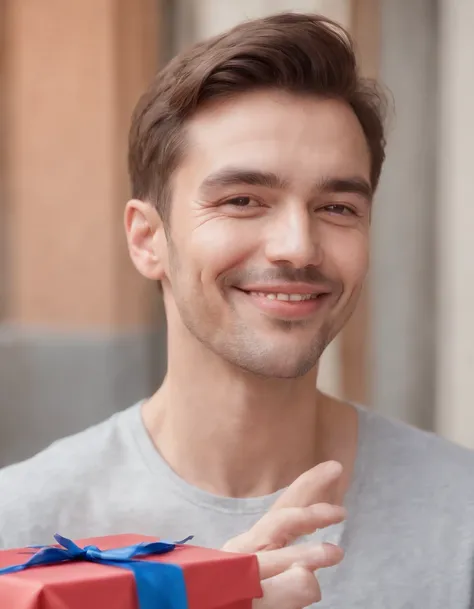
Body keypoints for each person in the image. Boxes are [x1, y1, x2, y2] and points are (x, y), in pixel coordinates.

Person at [1, 11, 474, 609]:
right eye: (244, 200)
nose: (298, 246)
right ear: (148, 239)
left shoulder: (463, 522)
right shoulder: (21, 528)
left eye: (337, 207)